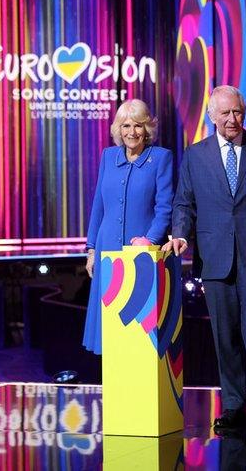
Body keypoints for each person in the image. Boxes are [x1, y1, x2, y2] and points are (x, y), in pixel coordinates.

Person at [162, 85, 246, 435]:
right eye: (225, 114)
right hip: (214, 258)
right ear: (212, 116)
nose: (232, 119)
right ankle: (233, 406)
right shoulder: (195, 155)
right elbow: (184, 203)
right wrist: (181, 232)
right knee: (225, 337)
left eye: (237, 112)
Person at [83, 99, 173, 355]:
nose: (131, 132)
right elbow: (98, 205)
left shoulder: (161, 158)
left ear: (147, 129)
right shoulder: (108, 156)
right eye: (125, 126)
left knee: (137, 329)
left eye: (137, 126)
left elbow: (164, 207)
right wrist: (91, 250)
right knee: (111, 327)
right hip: (107, 249)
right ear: (118, 130)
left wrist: (150, 240)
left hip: (140, 253)